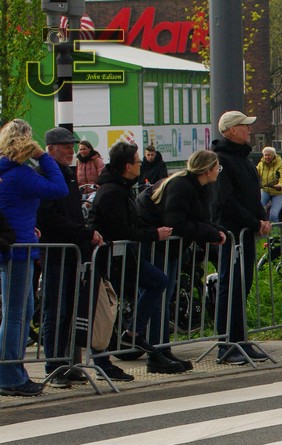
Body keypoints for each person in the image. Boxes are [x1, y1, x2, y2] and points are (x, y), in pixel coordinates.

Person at [88, 140, 187, 375]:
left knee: (156, 282)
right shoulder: (111, 192)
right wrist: (153, 234)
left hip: (122, 256)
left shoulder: (121, 188)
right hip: (111, 257)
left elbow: (130, 223)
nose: (140, 164)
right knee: (106, 308)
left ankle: (134, 334)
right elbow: (121, 229)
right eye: (137, 161)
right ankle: (107, 356)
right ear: (127, 166)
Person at [0, 120, 69, 396]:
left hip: (15, 243)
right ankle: (9, 376)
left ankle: (14, 372)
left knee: (21, 312)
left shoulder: (5, 171)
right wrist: (43, 156)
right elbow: (59, 188)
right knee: (16, 315)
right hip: (19, 249)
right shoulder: (20, 174)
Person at [141, 150, 226, 354]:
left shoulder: (198, 187)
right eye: (217, 167)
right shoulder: (181, 186)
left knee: (165, 297)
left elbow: (200, 218)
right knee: (160, 300)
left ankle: (163, 349)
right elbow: (176, 223)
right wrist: (210, 233)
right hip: (158, 246)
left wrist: (216, 230)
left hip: (171, 248)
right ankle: (157, 350)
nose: (218, 171)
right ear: (207, 170)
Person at [37, 126, 103, 388]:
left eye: (72, 146)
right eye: (65, 146)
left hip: (71, 251)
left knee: (68, 311)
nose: (71, 151)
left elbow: (71, 212)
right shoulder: (45, 175)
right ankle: (54, 366)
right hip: (56, 252)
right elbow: (49, 217)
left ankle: (66, 363)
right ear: (50, 149)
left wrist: (84, 235)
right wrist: (83, 232)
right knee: (55, 311)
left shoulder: (67, 174)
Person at [211, 110, 271, 365]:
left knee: (242, 286)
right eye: (244, 126)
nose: (249, 130)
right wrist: (253, 222)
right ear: (232, 130)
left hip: (245, 234)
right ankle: (226, 344)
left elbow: (252, 194)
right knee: (230, 286)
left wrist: (262, 218)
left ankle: (240, 339)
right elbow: (226, 201)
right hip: (231, 235)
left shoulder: (244, 159)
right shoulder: (221, 160)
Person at [257, 146, 282, 222]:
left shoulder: (280, 165)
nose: (267, 157)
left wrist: (280, 185)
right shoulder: (261, 165)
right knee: (256, 209)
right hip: (265, 190)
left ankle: (276, 229)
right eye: (265, 155)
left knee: (273, 215)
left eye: (269, 155)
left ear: (274, 155)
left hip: (278, 192)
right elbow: (254, 174)